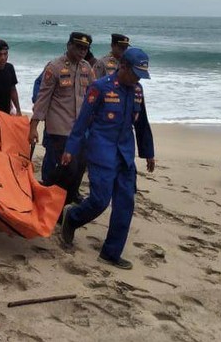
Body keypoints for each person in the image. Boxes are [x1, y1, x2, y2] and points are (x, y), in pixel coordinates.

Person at [60, 48, 155, 270]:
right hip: (101, 151)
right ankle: (73, 217)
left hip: (125, 154)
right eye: (135, 74)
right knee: (100, 200)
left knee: (125, 204)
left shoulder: (137, 90)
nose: (137, 79)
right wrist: (70, 149)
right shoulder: (100, 87)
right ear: (123, 67)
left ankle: (111, 253)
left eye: (141, 76)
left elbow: (141, 124)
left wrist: (148, 152)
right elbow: (82, 121)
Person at [28, 32, 94, 204]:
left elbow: (93, 97)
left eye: (85, 48)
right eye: (78, 47)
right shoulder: (54, 67)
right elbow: (42, 98)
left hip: (80, 128)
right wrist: (33, 127)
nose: (82, 51)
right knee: (68, 167)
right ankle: (46, 191)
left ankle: (67, 199)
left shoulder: (87, 68)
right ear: (69, 45)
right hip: (59, 127)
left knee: (80, 166)